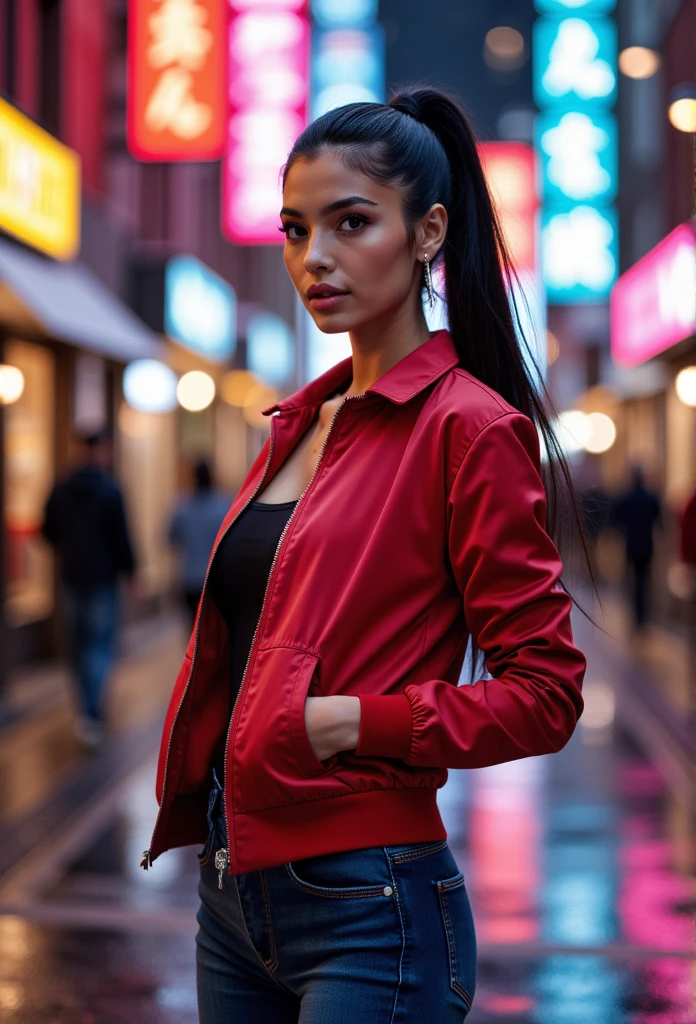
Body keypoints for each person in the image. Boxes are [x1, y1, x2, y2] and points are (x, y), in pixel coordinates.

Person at [141, 88, 587, 1022]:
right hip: (232, 889)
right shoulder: (299, 420)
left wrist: (353, 722)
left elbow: (546, 694)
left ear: (427, 233)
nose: (317, 258)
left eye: (352, 223)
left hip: (370, 903)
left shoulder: (470, 429)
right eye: (297, 230)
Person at [42, 430, 136, 747]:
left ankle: (86, 709)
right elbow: (122, 537)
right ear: (102, 451)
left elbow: (47, 531)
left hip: (70, 576)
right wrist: (131, 573)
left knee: (78, 646)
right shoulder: (110, 489)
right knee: (98, 644)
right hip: (103, 579)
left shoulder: (61, 487)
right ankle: (92, 713)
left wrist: (68, 549)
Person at [168, 460, 230, 629]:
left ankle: (193, 655)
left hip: (189, 578)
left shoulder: (182, 508)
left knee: (192, 629)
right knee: (214, 629)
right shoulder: (223, 508)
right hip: (216, 579)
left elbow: (171, 540)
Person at [613, 466, 662, 630]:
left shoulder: (626, 499)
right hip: (647, 546)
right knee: (644, 581)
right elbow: (659, 520)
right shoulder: (651, 498)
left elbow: (617, 520)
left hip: (631, 546)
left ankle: (636, 615)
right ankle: (643, 616)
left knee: (633, 581)